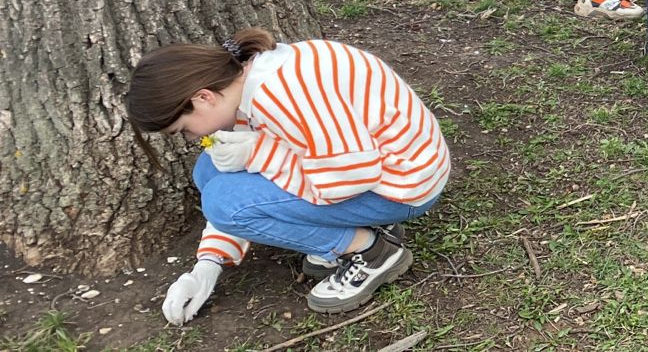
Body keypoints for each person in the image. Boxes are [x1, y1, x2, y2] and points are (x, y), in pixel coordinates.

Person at [124, 28, 450, 324]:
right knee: (210, 168)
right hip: (376, 167)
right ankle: (359, 229)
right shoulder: (245, 79)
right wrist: (209, 263)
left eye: (184, 129)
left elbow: (349, 178)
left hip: (402, 185)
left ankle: (371, 251)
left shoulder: (283, 94)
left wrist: (258, 156)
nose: (192, 138)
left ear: (203, 97)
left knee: (225, 201)